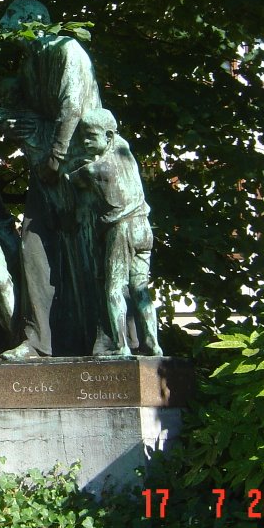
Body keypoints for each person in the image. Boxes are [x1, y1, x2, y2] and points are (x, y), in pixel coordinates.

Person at [0, 0, 103, 360]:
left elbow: (73, 108)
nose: (7, 32)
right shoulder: (30, 64)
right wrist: (14, 126)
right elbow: (26, 113)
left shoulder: (67, 51)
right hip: (46, 169)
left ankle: (100, 340)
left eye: (11, 22)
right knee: (34, 246)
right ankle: (36, 341)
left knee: (86, 254)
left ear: (32, 22)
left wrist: (56, 157)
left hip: (79, 169)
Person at [66, 109, 163, 356]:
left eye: (90, 136)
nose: (84, 142)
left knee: (114, 287)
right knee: (140, 287)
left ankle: (121, 346)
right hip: (144, 227)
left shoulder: (98, 170)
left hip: (123, 230)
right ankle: (153, 344)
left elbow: (72, 178)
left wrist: (76, 166)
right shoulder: (123, 149)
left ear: (108, 136)